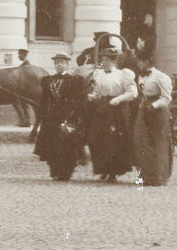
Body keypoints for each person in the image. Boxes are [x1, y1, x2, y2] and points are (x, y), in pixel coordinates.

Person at [86, 47, 138, 182]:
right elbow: (97, 91)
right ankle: (102, 168)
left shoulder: (123, 74)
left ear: (114, 61)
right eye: (103, 60)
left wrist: (119, 99)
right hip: (103, 107)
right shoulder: (99, 74)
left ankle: (113, 171)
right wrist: (92, 96)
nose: (104, 62)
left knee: (114, 140)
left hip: (118, 109)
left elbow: (133, 92)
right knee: (96, 138)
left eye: (107, 60)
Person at [34, 53, 85, 181]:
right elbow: (44, 99)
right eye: (57, 63)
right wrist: (43, 114)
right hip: (51, 117)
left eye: (62, 63)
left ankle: (66, 172)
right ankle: (54, 171)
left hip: (67, 115)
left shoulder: (73, 81)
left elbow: (78, 99)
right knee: (52, 144)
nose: (60, 65)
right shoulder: (48, 80)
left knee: (65, 145)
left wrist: (73, 114)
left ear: (67, 64)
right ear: (54, 65)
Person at [131, 57, 174, 186]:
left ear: (147, 61)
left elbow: (167, 97)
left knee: (158, 143)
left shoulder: (160, 77)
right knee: (141, 141)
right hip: (144, 109)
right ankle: (146, 175)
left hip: (157, 111)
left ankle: (159, 177)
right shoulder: (141, 76)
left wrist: (154, 106)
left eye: (140, 60)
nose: (138, 63)